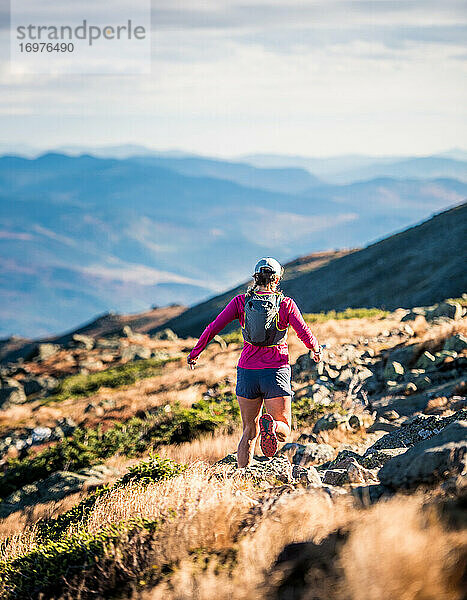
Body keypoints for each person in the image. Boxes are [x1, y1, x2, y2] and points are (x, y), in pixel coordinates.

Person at [187, 257, 322, 468]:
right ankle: (272, 425)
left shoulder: (240, 302)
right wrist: (315, 348)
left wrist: (195, 353)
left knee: (249, 431)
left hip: (247, 373)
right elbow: (303, 331)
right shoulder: (285, 304)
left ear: (255, 277)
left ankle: (243, 477)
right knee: (284, 427)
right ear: (277, 280)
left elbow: (213, 327)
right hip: (276, 372)